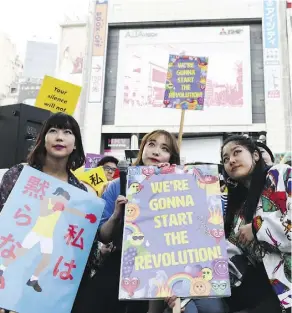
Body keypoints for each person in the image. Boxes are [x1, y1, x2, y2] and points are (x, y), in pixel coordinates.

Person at [73, 129, 180, 313]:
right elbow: (104, 237)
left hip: (162, 265)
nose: (156, 151)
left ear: (171, 157)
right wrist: (116, 214)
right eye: (151, 144)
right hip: (121, 261)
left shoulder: (180, 185)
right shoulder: (117, 185)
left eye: (164, 148)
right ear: (142, 149)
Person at [0, 112, 97, 311]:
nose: (59, 137)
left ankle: (34, 279)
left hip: (50, 290)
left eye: (67, 132)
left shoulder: (81, 192)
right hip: (11, 282)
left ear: (76, 143)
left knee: (45, 257)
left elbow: (79, 246)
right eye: (53, 131)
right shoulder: (18, 175)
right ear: (43, 139)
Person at [221, 135, 291, 313]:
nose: (232, 161)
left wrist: (256, 228)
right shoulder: (237, 209)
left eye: (237, 152)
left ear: (255, 155)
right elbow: (233, 254)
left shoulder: (279, 175)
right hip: (257, 289)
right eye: (226, 159)